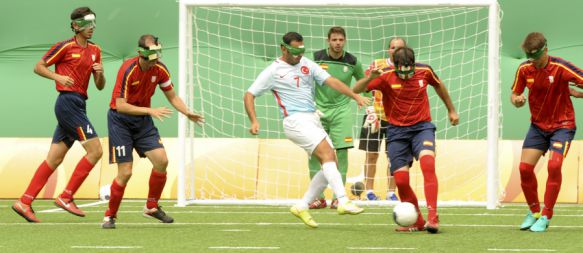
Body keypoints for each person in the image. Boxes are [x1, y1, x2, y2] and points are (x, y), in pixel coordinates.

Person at [244, 32, 369, 228]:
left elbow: (332, 82)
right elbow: (249, 95)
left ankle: (302, 205)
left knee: (331, 161)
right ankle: (343, 200)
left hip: (312, 118)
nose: (298, 55)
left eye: (301, 50)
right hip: (295, 121)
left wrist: (355, 96)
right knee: (328, 155)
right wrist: (254, 121)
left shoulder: (307, 63)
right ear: (283, 48)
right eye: (294, 51)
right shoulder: (273, 71)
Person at [12, 7, 105, 223]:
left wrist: (100, 74)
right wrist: (58, 77)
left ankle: (24, 202)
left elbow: (100, 86)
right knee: (96, 150)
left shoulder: (96, 50)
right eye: (85, 23)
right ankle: (66, 196)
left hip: (79, 104)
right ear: (75, 25)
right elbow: (38, 67)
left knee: (54, 158)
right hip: (67, 103)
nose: (91, 28)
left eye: (93, 23)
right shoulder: (65, 46)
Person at [101, 35, 204, 229]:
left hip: (143, 123)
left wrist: (187, 112)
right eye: (151, 54)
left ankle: (151, 206)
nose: (155, 59)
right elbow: (121, 106)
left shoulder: (160, 69)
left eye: (157, 53)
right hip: (120, 121)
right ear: (141, 53)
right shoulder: (128, 70)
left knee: (161, 160)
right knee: (126, 172)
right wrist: (150, 110)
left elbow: (172, 97)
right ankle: (109, 216)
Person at [353, 46, 459, 233]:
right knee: (401, 181)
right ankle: (417, 221)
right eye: (401, 73)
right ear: (395, 65)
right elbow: (356, 89)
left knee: (428, 164)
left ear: (413, 64)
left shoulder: (424, 71)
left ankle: (433, 217)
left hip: (422, 128)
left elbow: (439, 85)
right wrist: (370, 78)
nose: (406, 76)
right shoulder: (384, 75)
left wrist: (451, 109)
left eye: (409, 72)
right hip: (396, 133)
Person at [511, 32, 583, 232]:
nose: (533, 61)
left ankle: (546, 215)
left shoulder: (561, 67)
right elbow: (515, 93)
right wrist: (517, 100)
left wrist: (579, 94)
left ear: (546, 50)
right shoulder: (524, 69)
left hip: (563, 125)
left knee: (554, 165)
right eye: (530, 57)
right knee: (525, 169)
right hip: (538, 126)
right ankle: (533, 211)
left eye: (536, 57)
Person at [307, 26, 366, 209]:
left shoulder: (353, 62)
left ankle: (337, 197)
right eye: (334, 40)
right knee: (315, 153)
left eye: (341, 40)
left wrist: (365, 97)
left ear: (345, 40)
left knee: (341, 153)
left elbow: (363, 82)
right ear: (328, 41)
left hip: (342, 112)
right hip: (319, 111)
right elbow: (306, 81)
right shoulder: (316, 58)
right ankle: (317, 197)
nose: (337, 43)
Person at [359, 37, 406, 201]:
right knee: (371, 154)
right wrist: (369, 105)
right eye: (393, 48)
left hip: (396, 119)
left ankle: (391, 192)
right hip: (375, 116)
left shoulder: (408, 67)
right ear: (388, 50)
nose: (396, 51)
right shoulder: (377, 64)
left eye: (399, 48)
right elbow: (366, 85)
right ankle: (369, 191)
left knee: (394, 156)